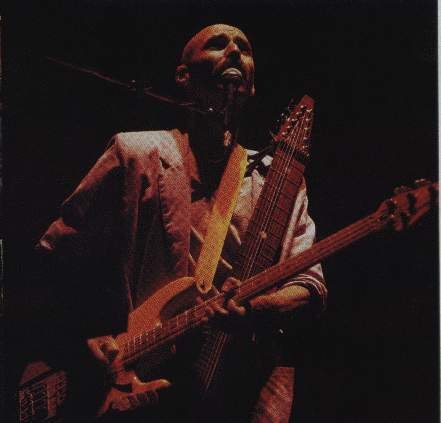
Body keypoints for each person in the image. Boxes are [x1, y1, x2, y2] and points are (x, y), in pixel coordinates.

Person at [36, 24, 327, 422]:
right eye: (217, 44)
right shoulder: (135, 154)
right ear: (183, 76)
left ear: (252, 86)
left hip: (239, 389)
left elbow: (309, 285)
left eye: (244, 48)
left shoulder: (277, 181)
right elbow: (58, 256)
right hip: (136, 385)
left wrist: (256, 308)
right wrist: (84, 335)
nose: (234, 51)